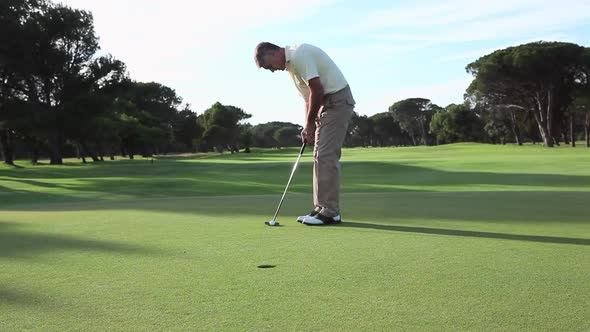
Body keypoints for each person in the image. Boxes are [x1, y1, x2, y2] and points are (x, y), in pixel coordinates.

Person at [254, 42, 355, 225]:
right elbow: (309, 98)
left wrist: (310, 122)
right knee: (318, 156)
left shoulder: (299, 55)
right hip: (325, 105)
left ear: (274, 53)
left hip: (337, 101)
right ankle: (321, 208)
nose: (271, 71)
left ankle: (331, 212)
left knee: (325, 155)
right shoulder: (292, 68)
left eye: (269, 66)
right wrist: (307, 125)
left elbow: (318, 89)